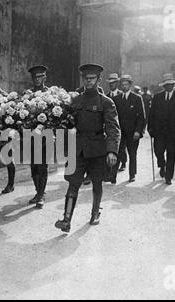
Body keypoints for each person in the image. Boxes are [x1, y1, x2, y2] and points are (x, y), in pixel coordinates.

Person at [55, 63, 120, 232]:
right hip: (78, 149)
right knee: (73, 183)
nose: (88, 81)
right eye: (85, 78)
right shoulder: (75, 100)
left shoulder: (106, 102)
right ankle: (66, 219)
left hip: (98, 149)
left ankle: (95, 213)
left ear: (98, 80)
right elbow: (67, 124)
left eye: (92, 78)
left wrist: (112, 150)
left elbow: (113, 127)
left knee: (97, 182)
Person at [148, 73, 175, 185]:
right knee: (158, 151)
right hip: (159, 132)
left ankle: (168, 176)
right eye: (166, 85)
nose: (168, 86)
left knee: (171, 154)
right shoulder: (157, 97)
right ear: (163, 86)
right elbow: (152, 114)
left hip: (173, 133)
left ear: (173, 85)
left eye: (170, 84)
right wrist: (150, 127)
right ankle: (162, 164)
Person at [112, 75, 146, 183]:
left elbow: (142, 117)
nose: (124, 86)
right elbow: (114, 116)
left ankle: (132, 174)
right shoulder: (116, 99)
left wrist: (138, 131)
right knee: (117, 152)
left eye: (126, 84)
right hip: (120, 132)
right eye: (122, 84)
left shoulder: (137, 98)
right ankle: (112, 176)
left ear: (130, 85)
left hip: (133, 132)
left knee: (132, 153)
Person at [26, 65, 51, 208]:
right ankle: (38, 191)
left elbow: (54, 117)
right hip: (30, 136)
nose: (37, 79)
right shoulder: (28, 94)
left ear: (44, 78)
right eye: (35, 77)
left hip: (45, 136)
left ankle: (41, 195)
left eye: (40, 77)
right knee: (33, 166)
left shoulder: (51, 94)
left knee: (42, 166)